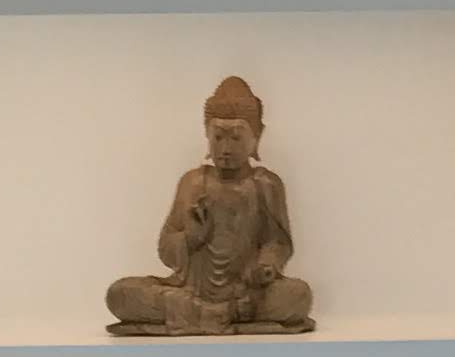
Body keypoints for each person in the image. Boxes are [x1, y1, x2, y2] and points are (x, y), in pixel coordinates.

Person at [106, 74, 314, 335]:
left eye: (236, 138)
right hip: (192, 290)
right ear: (207, 134)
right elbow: (165, 249)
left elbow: (278, 242)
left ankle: (208, 314)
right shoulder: (193, 182)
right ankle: (219, 314)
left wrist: (267, 265)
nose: (225, 148)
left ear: (256, 137)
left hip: (245, 292)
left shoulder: (266, 184)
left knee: (298, 296)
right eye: (218, 138)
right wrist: (191, 238)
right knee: (119, 294)